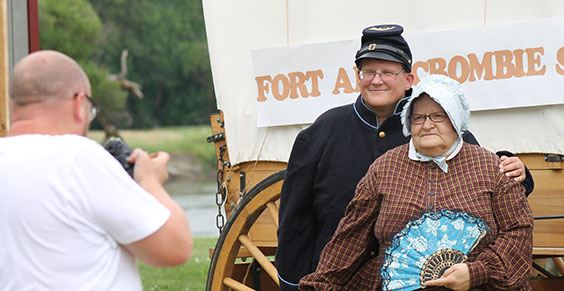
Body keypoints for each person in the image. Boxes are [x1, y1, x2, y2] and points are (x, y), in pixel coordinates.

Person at [276, 24, 534, 290]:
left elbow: (491, 191)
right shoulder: (323, 133)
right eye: (369, 72)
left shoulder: (460, 145)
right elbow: (295, 223)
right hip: (352, 279)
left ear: (408, 79)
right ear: (358, 76)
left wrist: (517, 171)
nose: (377, 80)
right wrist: (293, 284)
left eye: (387, 72)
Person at [0, 50, 193, 290]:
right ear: (80, 103)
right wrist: (150, 182)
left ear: (11, 105)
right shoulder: (78, 157)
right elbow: (175, 247)